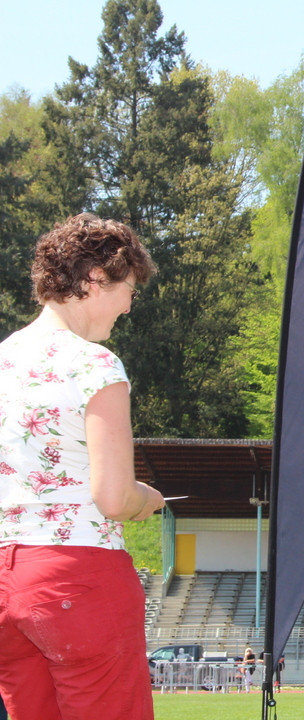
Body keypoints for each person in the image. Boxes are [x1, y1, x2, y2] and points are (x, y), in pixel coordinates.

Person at [0, 213, 165, 720]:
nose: (130, 305)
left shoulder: (4, 357)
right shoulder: (94, 363)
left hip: (7, 579)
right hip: (78, 576)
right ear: (96, 280)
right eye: (129, 289)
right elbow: (113, 497)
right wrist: (148, 500)